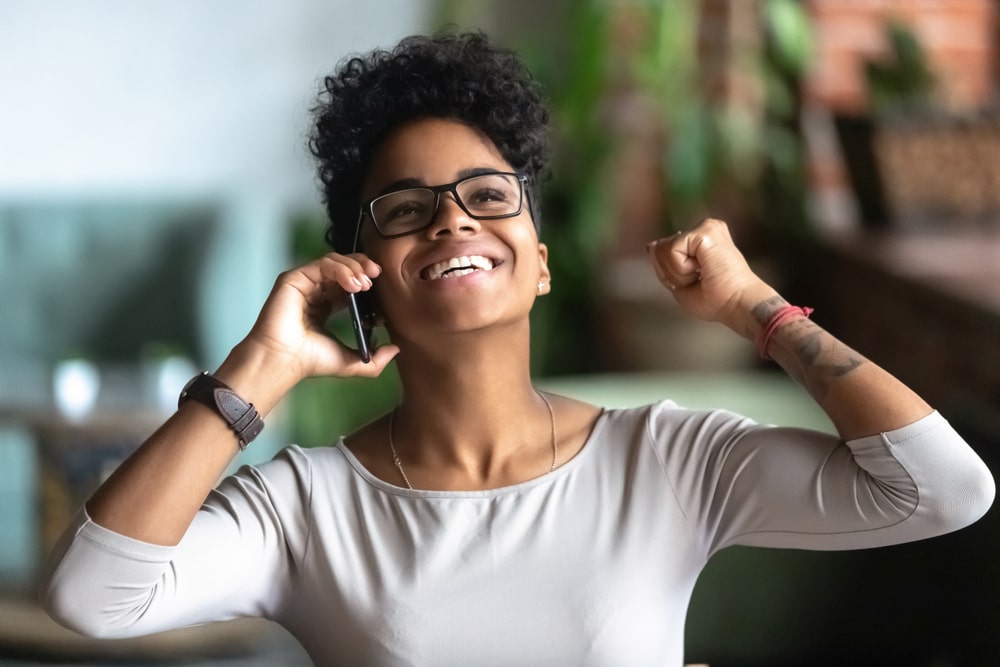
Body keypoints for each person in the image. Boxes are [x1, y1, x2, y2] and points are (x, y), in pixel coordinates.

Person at [40, 30, 993, 666]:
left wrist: (755, 306)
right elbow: (94, 595)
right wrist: (264, 365)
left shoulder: (664, 459)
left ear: (539, 260)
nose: (453, 221)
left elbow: (943, 489)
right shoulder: (306, 506)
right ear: (361, 270)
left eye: (488, 196)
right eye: (407, 211)